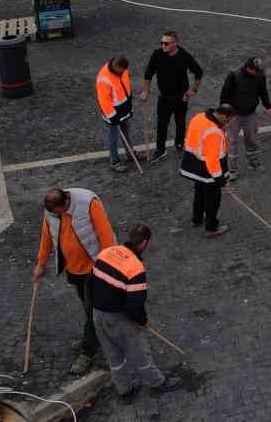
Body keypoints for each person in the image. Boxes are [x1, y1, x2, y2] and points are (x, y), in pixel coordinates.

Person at [89, 225, 182, 404]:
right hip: (118, 318)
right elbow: (135, 305)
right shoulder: (135, 269)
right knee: (139, 352)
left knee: (113, 354)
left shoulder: (107, 252)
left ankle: (124, 388)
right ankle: (157, 382)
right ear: (144, 243)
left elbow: (90, 282)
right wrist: (142, 322)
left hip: (97, 313)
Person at [32, 187, 117, 374]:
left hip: (94, 268)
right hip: (73, 269)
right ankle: (105, 332)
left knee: (90, 309)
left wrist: (108, 266)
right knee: (90, 307)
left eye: (57, 212)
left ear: (65, 204)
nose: (54, 215)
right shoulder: (52, 212)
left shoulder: (88, 203)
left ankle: (87, 352)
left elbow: (106, 236)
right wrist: (41, 264)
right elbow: (46, 237)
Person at [139, 31, 204, 162]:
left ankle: (179, 145)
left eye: (166, 43)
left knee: (180, 122)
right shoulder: (157, 55)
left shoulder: (184, 56)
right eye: (162, 43)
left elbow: (199, 72)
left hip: (181, 97)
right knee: (162, 123)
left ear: (175, 43)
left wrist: (193, 90)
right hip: (164, 97)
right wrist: (145, 91)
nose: (163, 46)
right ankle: (160, 149)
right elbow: (148, 73)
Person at [180, 105, 233, 238]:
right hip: (207, 171)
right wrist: (221, 181)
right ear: (223, 116)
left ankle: (196, 219)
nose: (228, 124)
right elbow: (212, 161)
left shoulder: (199, 117)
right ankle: (211, 227)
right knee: (213, 199)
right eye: (228, 120)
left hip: (194, 164)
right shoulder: (213, 132)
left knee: (199, 193)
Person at [217, 56, 271, 172]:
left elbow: (263, 92)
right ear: (249, 68)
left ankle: (253, 162)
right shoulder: (234, 76)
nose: (258, 73)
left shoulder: (260, 76)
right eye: (256, 71)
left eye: (259, 71)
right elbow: (224, 95)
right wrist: (223, 115)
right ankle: (232, 170)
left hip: (250, 113)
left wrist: (268, 107)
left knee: (251, 139)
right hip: (234, 115)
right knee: (232, 141)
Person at [96, 56, 136, 172]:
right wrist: (112, 116)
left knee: (126, 132)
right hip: (112, 113)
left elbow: (125, 87)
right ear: (116, 66)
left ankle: (130, 153)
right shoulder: (104, 78)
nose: (123, 72)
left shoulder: (123, 70)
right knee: (113, 137)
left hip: (123, 109)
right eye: (121, 71)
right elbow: (104, 101)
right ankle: (115, 161)